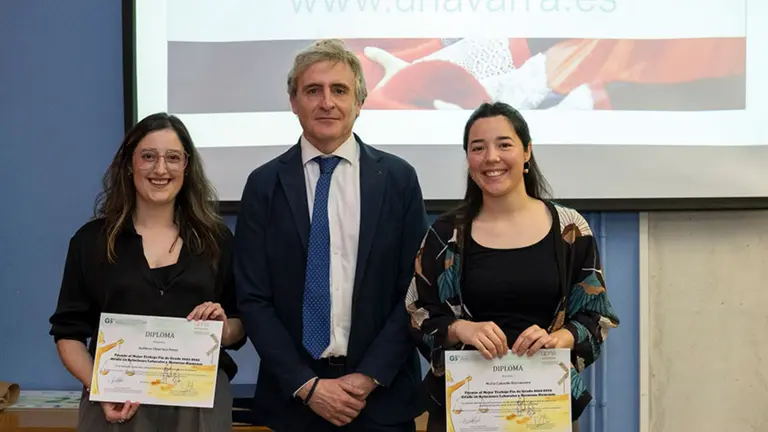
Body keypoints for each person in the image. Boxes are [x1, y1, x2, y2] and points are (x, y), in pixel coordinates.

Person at [233, 39, 429, 432]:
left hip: (380, 400)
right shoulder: (263, 185)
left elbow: (415, 289)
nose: (326, 103)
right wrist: (307, 386)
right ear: (293, 101)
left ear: (360, 101)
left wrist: (368, 377)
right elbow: (253, 298)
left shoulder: (398, 179)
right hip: (294, 403)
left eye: (339, 90)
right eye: (312, 90)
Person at [405, 101, 620, 432]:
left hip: (546, 408)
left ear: (527, 151)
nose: (491, 157)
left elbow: (597, 318)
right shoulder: (445, 235)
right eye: (478, 148)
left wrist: (560, 339)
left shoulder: (570, 229)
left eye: (504, 145)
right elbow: (416, 314)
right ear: (468, 159)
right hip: (465, 409)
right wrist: (461, 329)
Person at [48, 113, 246, 431]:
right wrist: (101, 388)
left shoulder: (216, 240)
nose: (160, 169)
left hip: (199, 407)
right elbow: (68, 334)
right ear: (130, 164)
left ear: (186, 166)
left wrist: (223, 330)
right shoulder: (91, 242)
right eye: (148, 156)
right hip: (118, 404)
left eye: (173, 158)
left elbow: (239, 323)